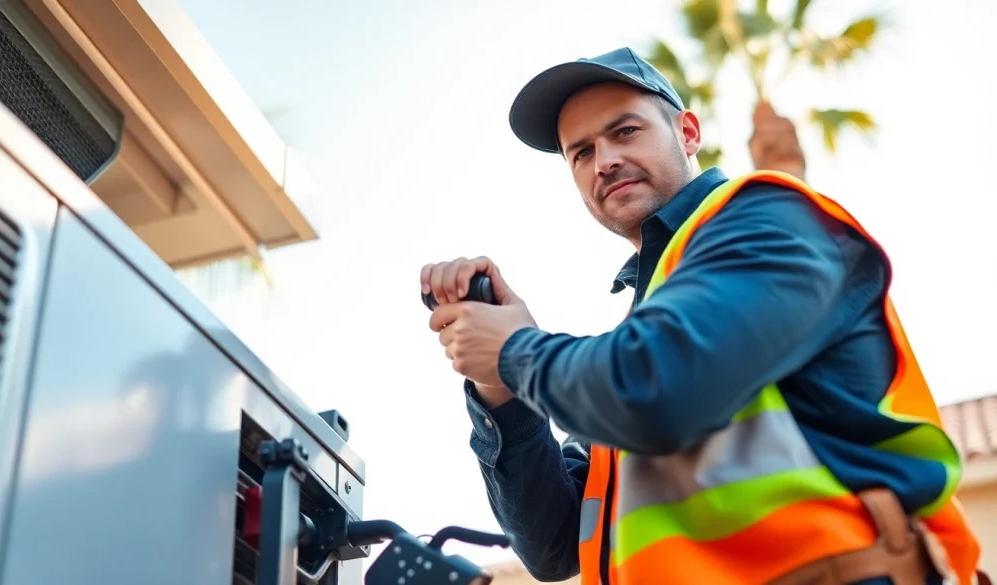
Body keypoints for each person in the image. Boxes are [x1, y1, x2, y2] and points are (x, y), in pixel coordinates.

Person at [419, 47, 983, 585]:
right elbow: (553, 546)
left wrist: (517, 350)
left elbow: (657, 387)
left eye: (624, 131)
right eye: (582, 153)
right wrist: (497, 385)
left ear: (687, 133)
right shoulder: (627, 354)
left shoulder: (765, 217)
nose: (605, 161)